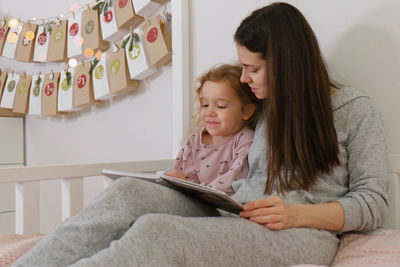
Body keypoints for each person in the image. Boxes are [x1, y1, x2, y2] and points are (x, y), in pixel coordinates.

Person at [14, 2, 388, 267]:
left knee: (157, 232)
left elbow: (373, 204)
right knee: (127, 194)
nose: (244, 79)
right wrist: (189, 181)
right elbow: (223, 146)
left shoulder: (356, 111)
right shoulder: (267, 108)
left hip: (299, 235)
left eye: (251, 69)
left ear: (287, 64)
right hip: (237, 212)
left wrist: (296, 214)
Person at [166, 64, 261, 195]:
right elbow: (181, 180)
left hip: (220, 206)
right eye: (205, 105)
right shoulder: (193, 142)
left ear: (246, 111)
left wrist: (192, 189)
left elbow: (233, 183)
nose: (209, 112)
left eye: (221, 106)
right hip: (193, 200)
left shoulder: (244, 139)